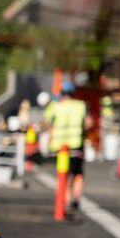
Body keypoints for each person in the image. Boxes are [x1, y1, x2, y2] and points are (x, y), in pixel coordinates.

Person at [43, 79, 89, 212]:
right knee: (78, 173)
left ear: (62, 93)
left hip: (59, 146)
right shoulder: (81, 105)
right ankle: (76, 197)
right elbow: (88, 123)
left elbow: (48, 125)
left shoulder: (55, 106)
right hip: (76, 145)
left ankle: (67, 199)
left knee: (64, 174)